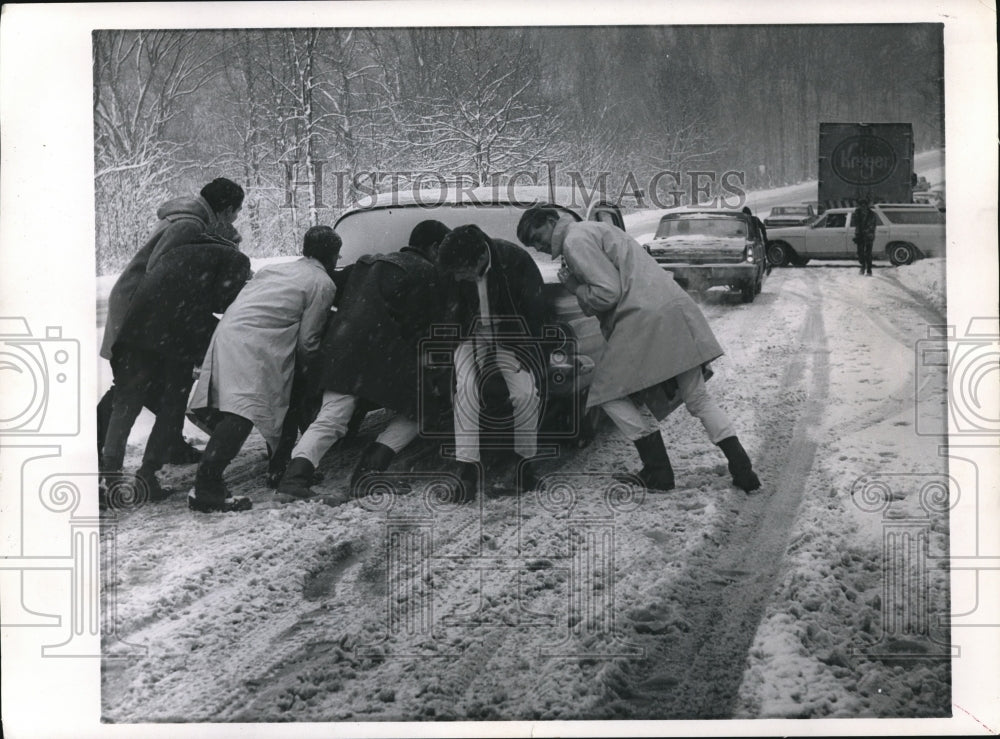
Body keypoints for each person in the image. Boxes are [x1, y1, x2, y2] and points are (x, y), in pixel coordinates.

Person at [517, 206, 760, 493]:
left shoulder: (574, 240)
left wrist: (574, 286)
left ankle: (658, 470)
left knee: (606, 394)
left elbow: (608, 293)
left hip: (643, 319)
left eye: (537, 236)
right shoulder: (595, 230)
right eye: (532, 245)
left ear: (550, 221)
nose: (540, 246)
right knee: (697, 398)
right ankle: (743, 469)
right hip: (672, 309)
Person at [277, 220, 452, 500]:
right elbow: (428, 331)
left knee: (331, 418)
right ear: (434, 248)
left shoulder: (366, 264)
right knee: (422, 412)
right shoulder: (427, 273)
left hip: (340, 351)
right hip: (384, 356)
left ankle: (293, 480)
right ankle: (368, 474)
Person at [186, 226, 342, 513]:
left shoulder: (275, 269)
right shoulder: (323, 282)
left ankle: (278, 467)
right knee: (243, 412)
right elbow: (308, 341)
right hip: (255, 345)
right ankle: (206, 487)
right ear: (333, 256)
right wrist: (316, 372)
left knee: (260, 404)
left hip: (230, 333)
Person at [98, 178, 245, 464]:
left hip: (142, 304)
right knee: (135, 386)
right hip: (140, 304)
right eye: (237, 211)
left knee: (149, 384)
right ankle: (105, 447)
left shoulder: (189, 219)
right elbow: (161, 272)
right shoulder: (189, 225)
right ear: (226, 210)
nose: (236, 218)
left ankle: (167, 444)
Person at [99, 232, 251, 505]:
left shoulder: (178, 249)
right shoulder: (236, 258)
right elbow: (223, 301)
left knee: (125, 405)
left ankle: (108, 477)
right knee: (171, 409)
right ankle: (147, 475)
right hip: (175, 339)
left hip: (134, 333)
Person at [434, 224, 546, 500]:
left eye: (462, 272)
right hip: (470, 335)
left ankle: (525, 467)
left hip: (513, 337)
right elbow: (447, 312)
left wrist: (527, 351)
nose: (458, 279)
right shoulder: (453, 268)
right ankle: (467, 471)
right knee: (466, 389)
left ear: (481, 258)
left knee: (525, 394)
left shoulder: (515, 261)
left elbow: (536, 312)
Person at [852, 199, 878, 276]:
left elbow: (872, 225)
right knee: (860, 253)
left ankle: (869, 269)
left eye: (864, 205)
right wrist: (856, 214)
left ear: (867, 206)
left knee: (868, 253)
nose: (863, 207)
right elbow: (854, 222)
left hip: (868, 236)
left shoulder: (872, 214)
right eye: (861, 205)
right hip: (860, 235)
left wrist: (866, 232)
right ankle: (863, 265)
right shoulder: (857, 213)